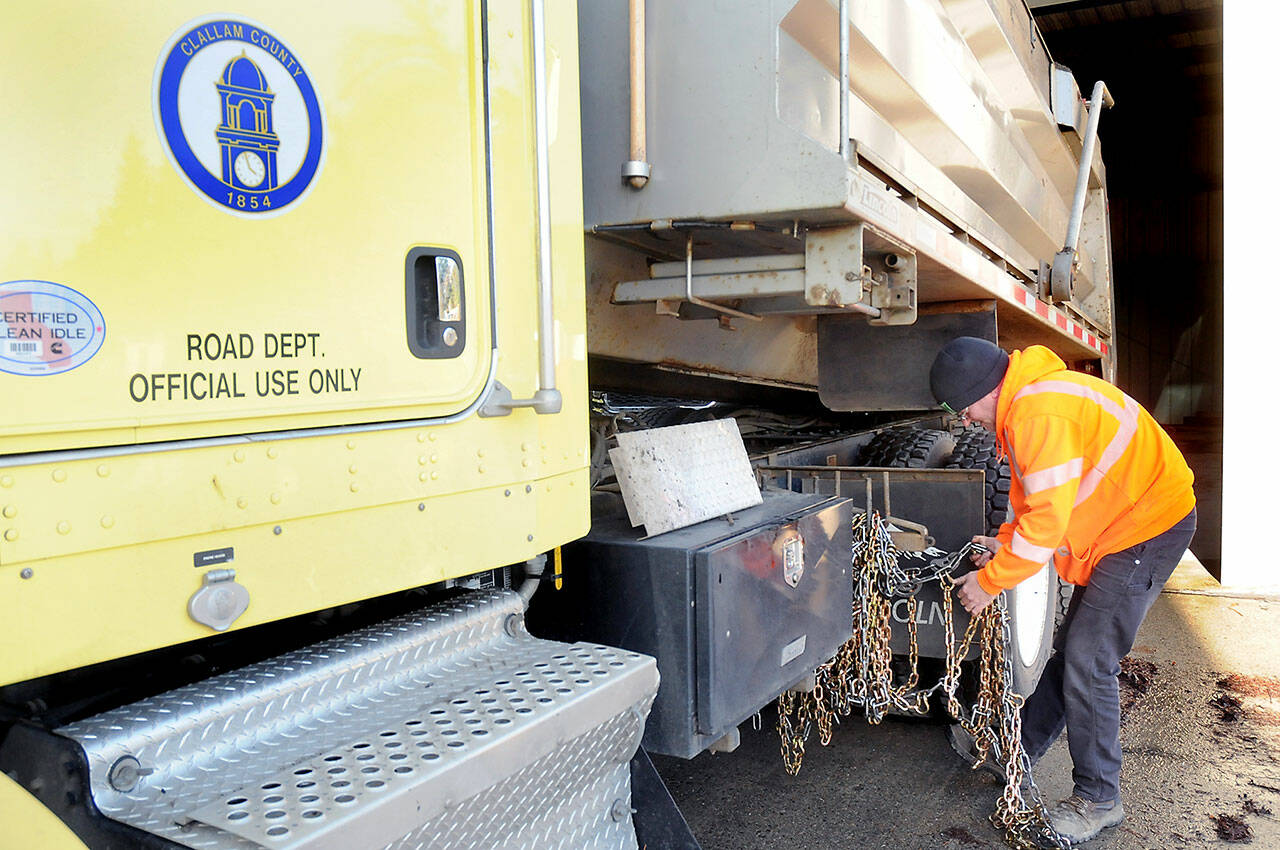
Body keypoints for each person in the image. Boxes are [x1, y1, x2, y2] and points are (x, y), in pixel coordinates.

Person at [928, 336, 1196, 846]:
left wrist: (989, 582)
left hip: (1147, 526)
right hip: (1128, 524)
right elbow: (1034, 508)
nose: (966, 422)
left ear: (985, 390)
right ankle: (1015, 748)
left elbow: (1046, 527)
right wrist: (1003, 543)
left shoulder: (1036, 414)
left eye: (963, 410)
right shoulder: (1029, 404)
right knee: (1075, 650)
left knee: (1090, 658)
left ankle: (1098, 799)